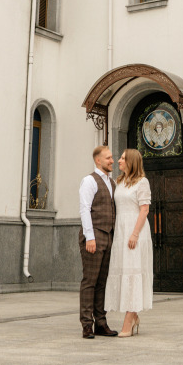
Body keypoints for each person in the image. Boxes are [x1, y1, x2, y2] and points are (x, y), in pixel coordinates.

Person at [104, 148, 153, 337]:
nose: (118, 160)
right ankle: (133, 316)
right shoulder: (119, 181)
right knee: (124, 271)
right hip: (121, 231)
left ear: (131, 161)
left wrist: (134, 234)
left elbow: (144, 210)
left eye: (123, 158)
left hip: (136, 231)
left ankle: (129, 319)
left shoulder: (142, 182)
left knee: (133, 272)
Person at [78, 144, 118, 339]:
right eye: (108, 158)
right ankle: (87, 324)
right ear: (98, 160)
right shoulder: (89, 180)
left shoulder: (112, 182)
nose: (112, 161)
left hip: (108, 236)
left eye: (112, 158)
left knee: (102, 283)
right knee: (90, 282)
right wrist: (90, 237)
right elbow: (84, 209)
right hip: (94, 236)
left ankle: (101, 323)